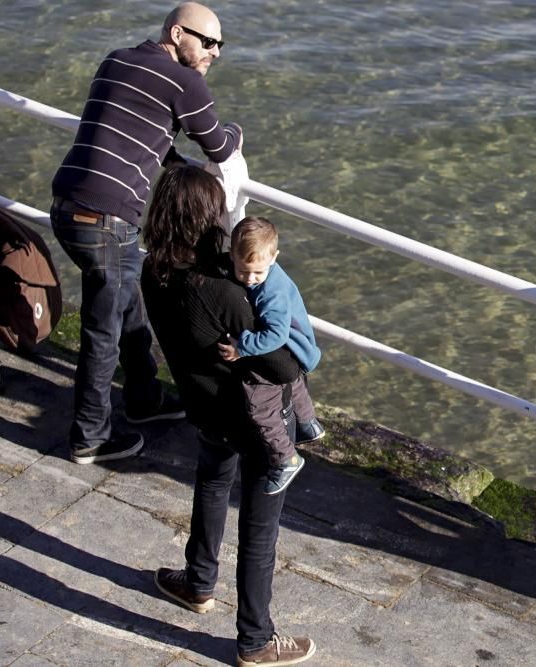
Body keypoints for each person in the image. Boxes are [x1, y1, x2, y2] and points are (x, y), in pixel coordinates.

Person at [50, 2, 243, 464]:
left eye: (221, 45)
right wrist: (237, 131)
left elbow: (133, 132)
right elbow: (218, 143)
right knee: (104, 331)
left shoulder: (116, 59)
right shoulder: (185, 82)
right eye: (208, 41)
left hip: (65, 206)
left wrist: (173, 155)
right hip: (106, 220)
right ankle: (90, 437)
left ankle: (143, 398)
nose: (215, 52)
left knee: (128, 302)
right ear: (178, 34)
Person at [141, 165, 316, 666]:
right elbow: (282, 364)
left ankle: (198, 583)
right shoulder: (221, 289)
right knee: (260, 530)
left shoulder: (153, 270)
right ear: (207, 218)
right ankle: (255, 639)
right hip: (256, 421)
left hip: (204, 408)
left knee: (212, 486)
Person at [217, 216, 325, 495]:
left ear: (274, 258)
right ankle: (308, 424)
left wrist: (242, 346)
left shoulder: (271, 294)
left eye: (257, 273)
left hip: (288, 345)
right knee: (294, 380)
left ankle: (285, 459)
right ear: (232, 256)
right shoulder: (268, 277)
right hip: (302, 348)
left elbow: (275, 336)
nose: (250, 279)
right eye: (243, 272)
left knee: (261, 409)